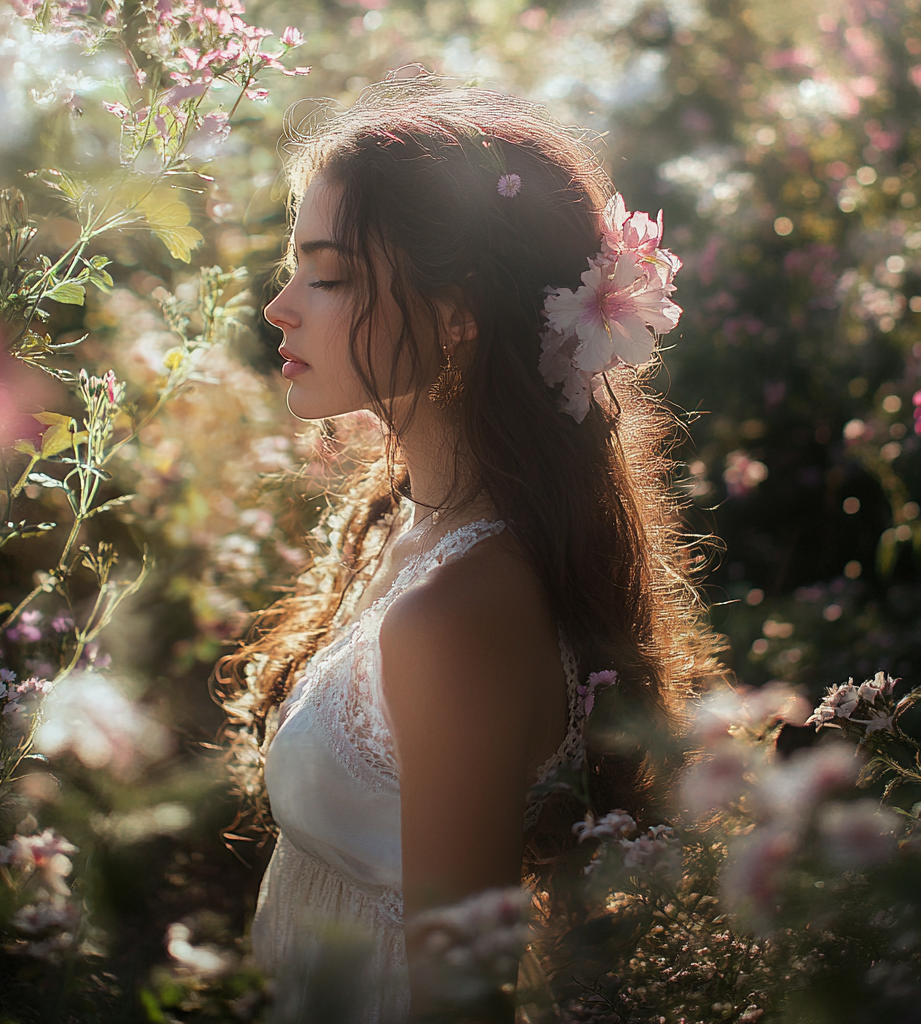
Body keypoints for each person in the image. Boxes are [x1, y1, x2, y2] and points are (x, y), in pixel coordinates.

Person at [217, 73, 720, 1023]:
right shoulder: (425, 526)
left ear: (458, 316)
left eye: (327, 276)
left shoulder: (459, 613)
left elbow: (459, 997)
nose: (281, 306)